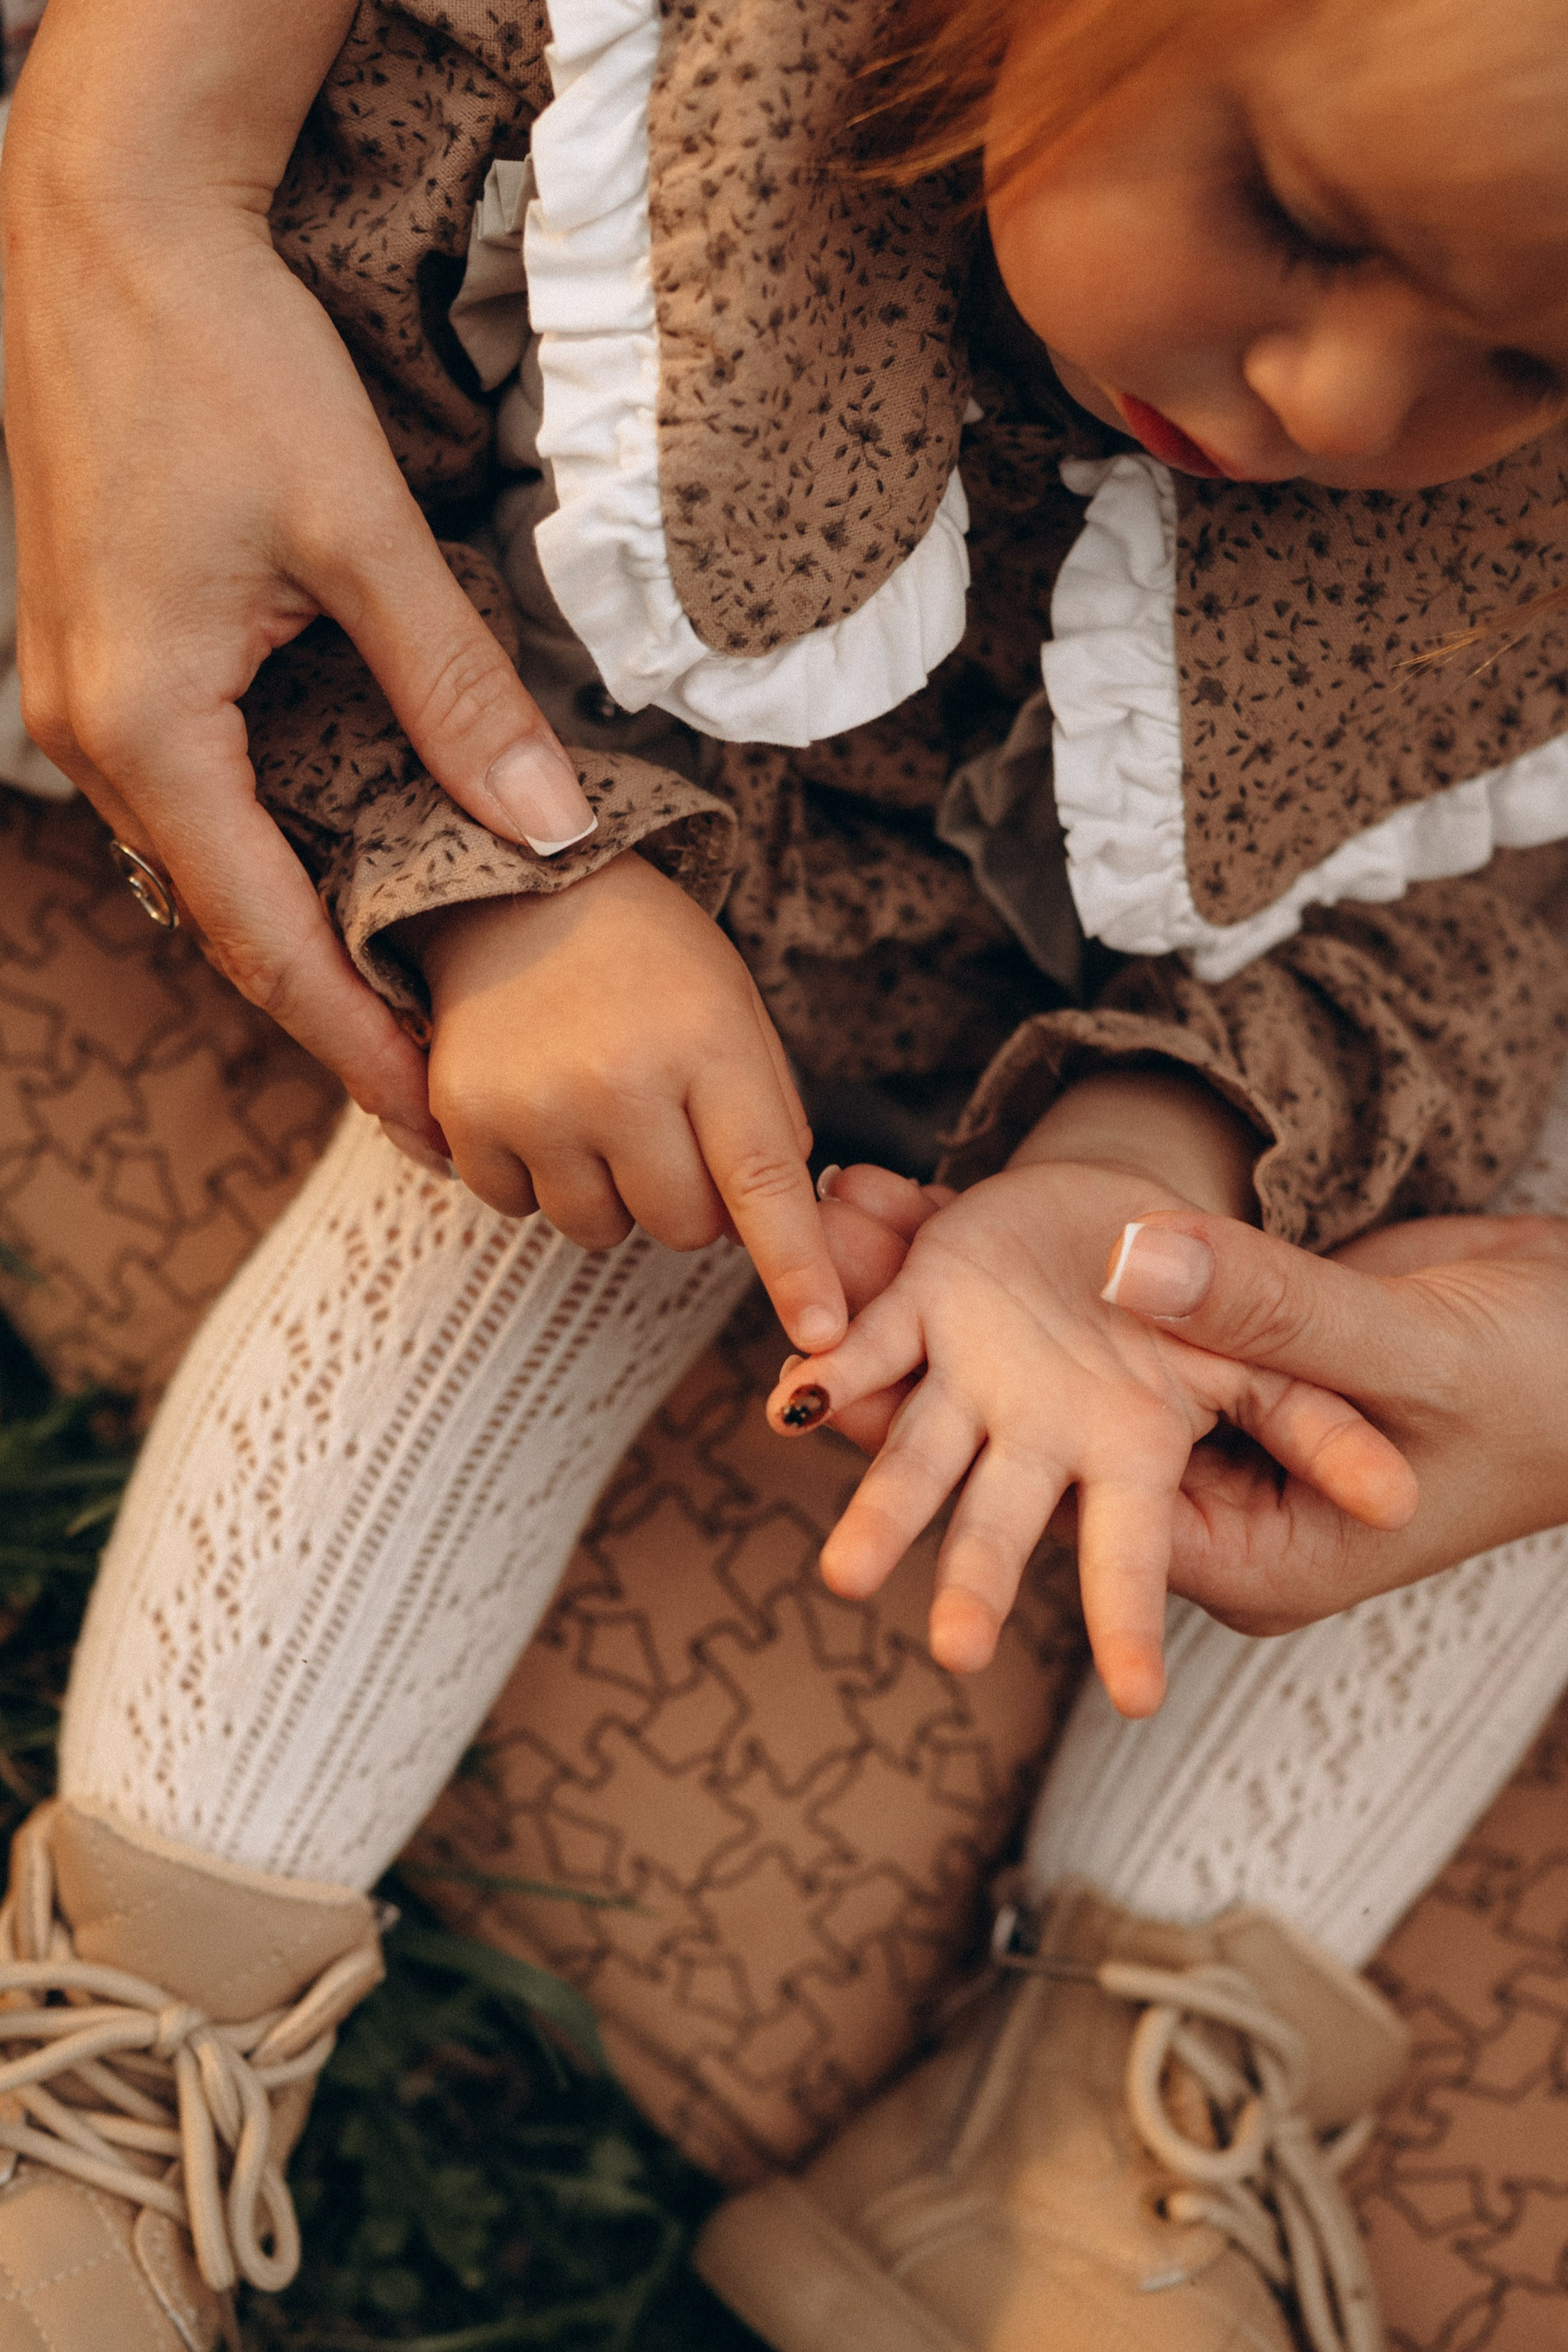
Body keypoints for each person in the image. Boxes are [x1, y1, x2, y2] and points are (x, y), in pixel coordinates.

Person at [2, 6, 1568, 2352]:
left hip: (1107, 1026)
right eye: (1301, 218)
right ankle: (121, 2058)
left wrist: (1157, 1180)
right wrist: (512, 888)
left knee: (1430, 1260)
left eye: (1530, 361)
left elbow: (1460, 915)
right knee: (587, 1176)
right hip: (611, 871)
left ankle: (1108, 2106)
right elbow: (272, 500)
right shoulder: (593, 138)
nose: (1344, 411)